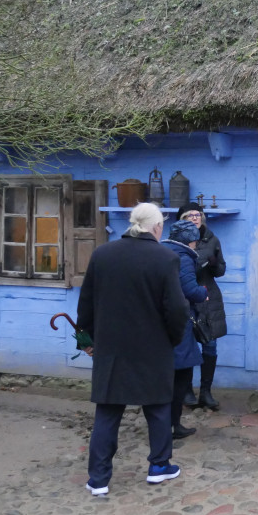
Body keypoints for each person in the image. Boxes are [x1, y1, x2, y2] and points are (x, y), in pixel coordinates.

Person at [77, 202, 190, 495]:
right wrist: (173, 339)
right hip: (153, 347)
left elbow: (85, 303)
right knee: (158, 408)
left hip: (111, 348)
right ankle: (159, 466)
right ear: (157, 227)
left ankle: (98, 479)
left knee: (108, 411)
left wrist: (86, 342)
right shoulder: (165, 258)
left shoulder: (102, 254)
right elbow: (177, 309)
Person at [176, 203, 227, 410]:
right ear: (182, 219)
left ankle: (206, 391)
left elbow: (221, 270)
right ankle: (187, 390)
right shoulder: (178, 242)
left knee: (210, 345)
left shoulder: (212, 239)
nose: (195, 218)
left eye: (198, 215)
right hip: (186, 297)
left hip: (208, 298)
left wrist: (214, 264)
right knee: (187, 345)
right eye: (190, 215)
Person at [161, 219, 208, 440]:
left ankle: (165, 423)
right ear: (189, 240)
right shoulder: (184, 257)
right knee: (181, 375)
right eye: (195, 241)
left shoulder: (161, 251)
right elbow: (189, 289)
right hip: (180, 322)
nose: (196, 245)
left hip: (161, 322)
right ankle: (173, 425)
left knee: (166, 375)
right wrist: (203, 292)